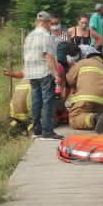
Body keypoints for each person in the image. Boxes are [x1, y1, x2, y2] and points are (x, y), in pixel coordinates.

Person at [21, 11, 63, 140]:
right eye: (50, 23)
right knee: (47, 102)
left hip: (32, 73)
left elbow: (26, 57)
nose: (51, 25)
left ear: (37, 22)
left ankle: (36, 130)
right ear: (46, 22)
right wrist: (56, 74)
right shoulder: (46, 36)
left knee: (35, 101)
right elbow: (48, 56)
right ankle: (47, 131)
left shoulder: (29, 36)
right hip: (44, 72)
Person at [65, 43, 103, 133]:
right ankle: (101, 115)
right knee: (92, 111)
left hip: (86, 98)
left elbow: (69, 79)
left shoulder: (83, 62)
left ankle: (95, 119)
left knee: (75, 118)